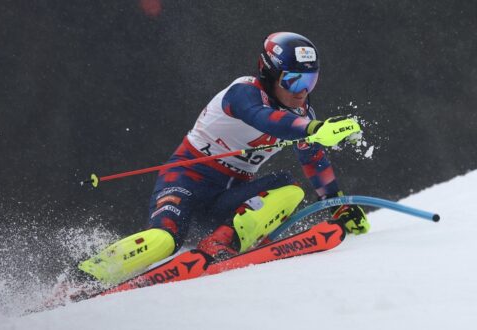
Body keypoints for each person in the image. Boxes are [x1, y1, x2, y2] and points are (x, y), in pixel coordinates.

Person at [77, 32, 370, 285]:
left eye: (311, 80)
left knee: (290, 189)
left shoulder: (303, 115)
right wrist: (314, 129)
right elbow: (264, 119)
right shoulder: (243, 93)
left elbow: (313, 160)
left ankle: (222, 242)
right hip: (186, 181)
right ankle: (86, 277)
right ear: (269, 74)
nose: (303, 92)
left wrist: (339, 205)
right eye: (293, 81)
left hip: (228, 195)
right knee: (164, 241)